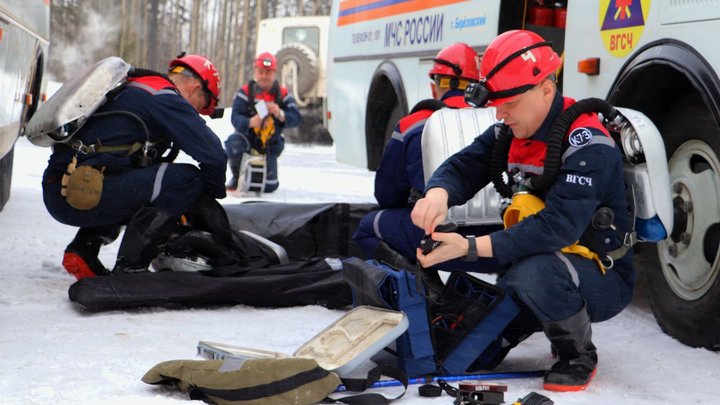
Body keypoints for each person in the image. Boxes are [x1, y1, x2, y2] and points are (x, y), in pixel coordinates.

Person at [410, 30, 636, 392]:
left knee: (534, 271)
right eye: (498, 104)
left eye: (509, 103)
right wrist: (437, 195)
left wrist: (469, 247)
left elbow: (558, 227)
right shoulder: (512, 130)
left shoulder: (586, 141)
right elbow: (464, 166)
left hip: (602, 274)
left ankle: (577, 354)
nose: (500, 113)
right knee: (473, 350)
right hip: (537, 260)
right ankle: (536, 315)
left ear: (546, 89)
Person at [43, 54, 228, 280]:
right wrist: (209, 197)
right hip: (80, 192)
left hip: (62, 187)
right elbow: (215, 156)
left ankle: (84, 250)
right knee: (187, 179)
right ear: (196, 88)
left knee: (148, 179)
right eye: (203, 106)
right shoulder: (164, 97)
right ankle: (131, 267)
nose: (198, 114)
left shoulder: (133, 87)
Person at [353, 42, 499, 269]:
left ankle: (422, 292)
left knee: (367, 228)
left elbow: (387, 195)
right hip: (498, 244)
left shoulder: (414, 124)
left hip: (442, 241)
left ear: (435, 86)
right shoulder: (501, 121)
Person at [224, 52, 301, 193]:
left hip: (270, 144)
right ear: (255, 72)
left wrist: (281, 114)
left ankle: (266, 169)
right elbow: (235, 117)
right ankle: (237, 176)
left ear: (274, 73)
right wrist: (250, 122)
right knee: (233, 143)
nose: (264, 76)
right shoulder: (245, 92)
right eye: (261, 72)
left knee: (269, 187)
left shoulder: (283, 94)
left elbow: (296, 118)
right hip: (246, 139)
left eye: (268, 72)